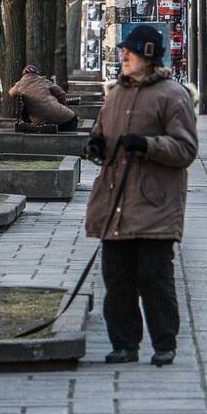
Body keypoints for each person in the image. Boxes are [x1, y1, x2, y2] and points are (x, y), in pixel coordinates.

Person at [84, 24, 198, 368]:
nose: (123, 56)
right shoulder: (115, 94)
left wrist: (148, 145)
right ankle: (124, 344)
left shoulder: (172, 95)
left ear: (148, 56)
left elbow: (186, 149)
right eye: (123, 52)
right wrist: (95, 145)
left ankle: (164, 343)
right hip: (115, 202)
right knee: (117, 281)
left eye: (129, 52)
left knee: (154, 279)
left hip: (153, 205)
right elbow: (102, 132)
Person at [8, 65, 78, 131]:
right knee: (73, 118)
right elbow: (61, 93)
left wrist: (18, 86)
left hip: (41, 121)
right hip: (66, 118)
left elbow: (10, 93)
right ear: (36, 73)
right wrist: (62, 105)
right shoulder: (44, 81)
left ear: (23, 74)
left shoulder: (20, 84)